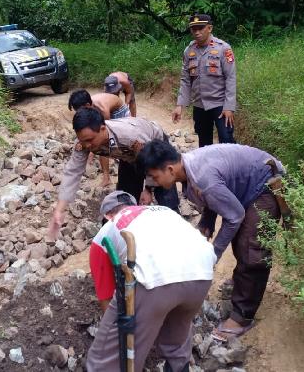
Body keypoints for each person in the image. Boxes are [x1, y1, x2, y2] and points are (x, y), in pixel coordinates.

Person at [138, 139, 286, 341]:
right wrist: (207, 222)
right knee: (240, 241)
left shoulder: (203, 179)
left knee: (251, 249)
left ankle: (243, 316)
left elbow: (234, 216)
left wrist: (213, 254)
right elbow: (217, 194)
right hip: (246, 186)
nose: (155, 182)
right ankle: (242, 283)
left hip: (265, 185)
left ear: (170, 169)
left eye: (155, 177)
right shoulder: (187, 168)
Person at [87, 191, 216, 372]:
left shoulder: (104, 234)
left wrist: (124, 332)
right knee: (176, 342)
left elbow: (106, 298)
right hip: (202, 272)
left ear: (107, 216)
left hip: (154, 277)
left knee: (104, 359)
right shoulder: (161, 211)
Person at [48, 108, 180, 239]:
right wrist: (59, 210)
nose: (87, 145)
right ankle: (128, 237)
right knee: (124, 200)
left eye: (90, 140)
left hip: (154, 148)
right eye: (83, 141)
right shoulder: (83, 142)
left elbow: (151, 163)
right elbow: (73, 172)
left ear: (103, 129)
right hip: (127, 155)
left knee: (165, 194)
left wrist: (148, 188)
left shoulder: (131, 137)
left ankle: (176, 231)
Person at [172, 14, 236, 146]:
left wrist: (229, 107)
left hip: (220, 103)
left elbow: (230, 78)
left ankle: (233, 165)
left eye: (200, 28)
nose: (197, 32)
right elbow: (185, 80)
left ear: (210, 28)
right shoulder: (189, 51)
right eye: (193, 29)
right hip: (200, 104)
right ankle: (209, 166)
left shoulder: (223, 48)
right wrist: (180, 105)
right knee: (204, 141)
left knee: (226, 138)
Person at [68, 89, 131, 187]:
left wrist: (91, 151)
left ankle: (107, 178)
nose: (79, 113)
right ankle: (108, 176)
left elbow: (104, 135)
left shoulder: (103, 109)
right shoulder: (87, 107)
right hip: (106, 113)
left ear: (88, 105)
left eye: (80, 110)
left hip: (119, 112)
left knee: (104, 144)